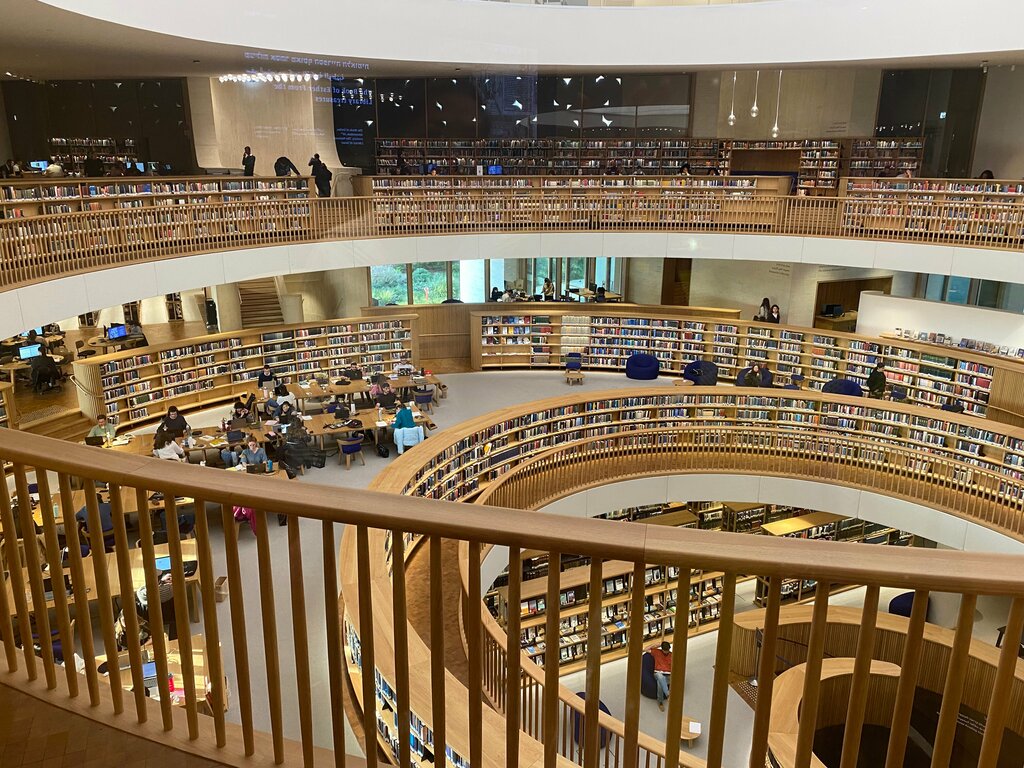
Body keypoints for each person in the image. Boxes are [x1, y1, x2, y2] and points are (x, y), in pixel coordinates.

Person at [649, 641, 673, 711]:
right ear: (662, 649)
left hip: (668, 674)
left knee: (660, 684)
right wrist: (656, 644)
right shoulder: (656, 652)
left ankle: (660, 702)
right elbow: (645, 649)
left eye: (668, 650)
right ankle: (667, 694)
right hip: (658, 673)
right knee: (660, 677)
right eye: (665, 650)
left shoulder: (672, 655)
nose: (667, 652)